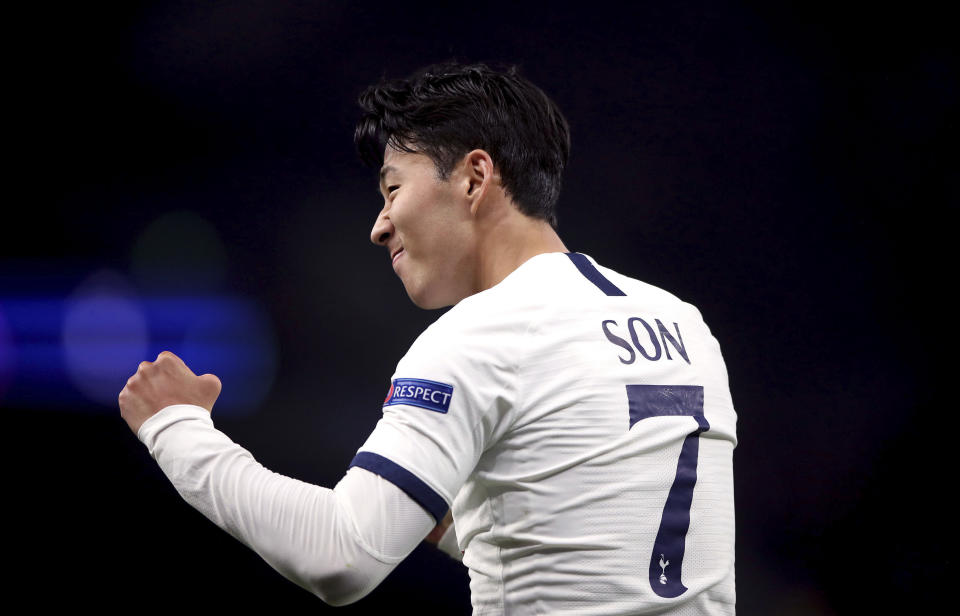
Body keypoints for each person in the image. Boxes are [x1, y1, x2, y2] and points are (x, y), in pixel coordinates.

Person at [119, 61, 737, 615]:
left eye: (393, 188)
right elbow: (608, 552)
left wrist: (177, 428)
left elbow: (340, 557)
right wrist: (459, 526)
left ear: (474, 177)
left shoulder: (479, 334)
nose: (379, 225)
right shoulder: (682, 321)